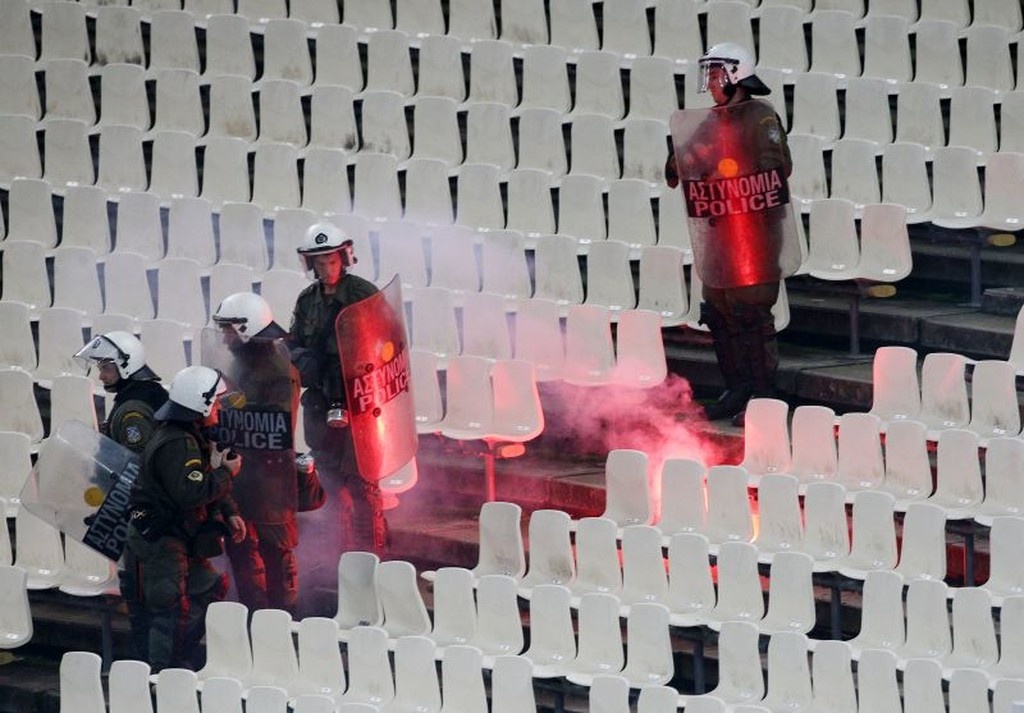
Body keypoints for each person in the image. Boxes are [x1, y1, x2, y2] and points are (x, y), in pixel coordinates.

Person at [666, 42, 797, 426]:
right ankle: (737, 387)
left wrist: (731, 172)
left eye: (714, 73)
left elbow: (777, 169)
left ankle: (763, 393)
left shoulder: (760, 118)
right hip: (720, 234)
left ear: (734, 74)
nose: (709, 82)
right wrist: (680, 158)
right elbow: (681, 165)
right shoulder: (711, 121)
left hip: (755, 234)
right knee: (720, 312)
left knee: (751, 312)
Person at [125, 365, 245, 672]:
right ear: (200, 404)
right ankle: (163, 676)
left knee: (209, 587)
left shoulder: (186, 436)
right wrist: (227, 473)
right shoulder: (179, 443)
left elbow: (197, 486)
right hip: (161, 540)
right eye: (216, 402)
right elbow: (191, 493)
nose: (219, 407)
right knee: (168, 610)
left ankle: (176, 659)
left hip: (176, 535)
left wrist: (228, 512)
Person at [210, 291, 323, 614]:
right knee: (243, 551)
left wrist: (234, 410)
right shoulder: (243, 360)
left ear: (247, 328)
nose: (225, 336)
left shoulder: (277, 370)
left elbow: (276, 426)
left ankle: (281, 623)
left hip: (272, 480)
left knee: (277, 555)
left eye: (230, 329)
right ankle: (254, 618)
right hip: (245, 475)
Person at [288, 222, 388, 555]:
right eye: (319, 263)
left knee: (363, 484)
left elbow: (387, 340)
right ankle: (337, 556)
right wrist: (306, 363)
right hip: (319, 403)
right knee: (328, 481)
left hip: (359, 400)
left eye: (331, 261)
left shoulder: (364, 294)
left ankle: (373, 554)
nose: (326, 269)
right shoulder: (307, 301)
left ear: (343, 259)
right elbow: (295, 343)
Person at [73, 331, 168, 659]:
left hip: (144, 523)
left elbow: (136, 469)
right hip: (148, 519)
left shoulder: (133, 409)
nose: (101, 375)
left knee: (143, 599)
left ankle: (151, 669)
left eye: (107, 367)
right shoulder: (144, 395)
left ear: (128, 365)